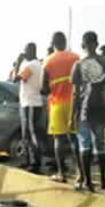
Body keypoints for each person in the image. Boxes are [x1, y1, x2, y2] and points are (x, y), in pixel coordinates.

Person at [44, 32, 82, 183]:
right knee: (75, 139)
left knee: (59, 139)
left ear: (53, 43)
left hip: (57, 104)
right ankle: (81, 174)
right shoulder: (76, 58)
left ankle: (61, 174)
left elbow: (44, 88)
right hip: (74, 103)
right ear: (65, 42)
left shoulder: (48, 61)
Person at [70, 31, 105, 191]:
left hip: (85, 108)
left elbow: (76, 93)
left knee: (85, 145)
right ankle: (104, 182)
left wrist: (71, 116)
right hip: (101, 108)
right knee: (101, 145)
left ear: (83, 45)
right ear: (96, 44)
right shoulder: (103, 61)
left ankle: (88, 182)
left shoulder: (78, 64)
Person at [12, 43, 45, 173]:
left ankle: (35, 163)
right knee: (26, 135)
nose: (24, 54)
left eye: (25, 52)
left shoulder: (32, 66)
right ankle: (28, 161)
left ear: (31, 51)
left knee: (32, 135)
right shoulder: (36, 64)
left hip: (31, 103)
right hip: (28, 102)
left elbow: (14, 79)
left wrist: (18, 61)